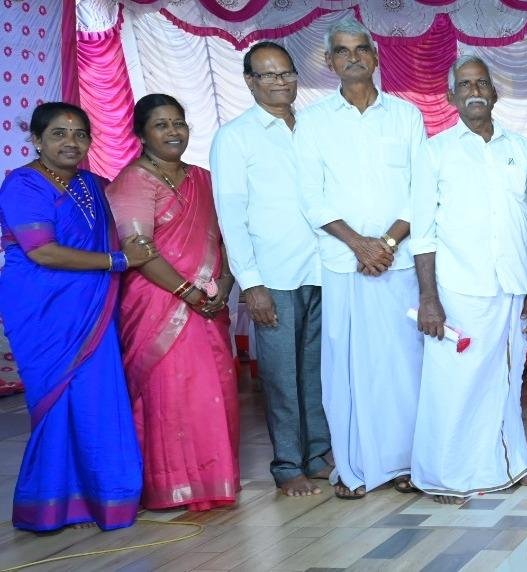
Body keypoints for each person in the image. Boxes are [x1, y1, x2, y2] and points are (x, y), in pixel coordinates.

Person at [0, 103, 153, 532]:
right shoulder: (23, 185)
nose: (71, 142)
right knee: (55, 401)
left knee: (95, 399)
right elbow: (43, 251)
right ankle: (51, 504)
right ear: (37, 139)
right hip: (43, 309)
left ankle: (103, 497)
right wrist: (117, 261)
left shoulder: (92, 183)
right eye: (58, 134)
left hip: (92, 307)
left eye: (80, 134)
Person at [294, 15, 427, 500]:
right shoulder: (313, 122)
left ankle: (408, 462)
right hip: (343, 263)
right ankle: (355, 467)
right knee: (348, 368)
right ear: (330, 62)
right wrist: (359, 244)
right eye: (342, 51)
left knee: (403, 365)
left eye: (360, 49)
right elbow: (311, 197)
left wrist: (387, 244)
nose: (352, 58)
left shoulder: (406, 116)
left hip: (399, 262)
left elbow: (421, 189)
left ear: (374, 56)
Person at [410, 55, 527, 504]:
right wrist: (429, 299)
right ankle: (444, 475)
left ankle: (509, 463)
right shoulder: (435, 152)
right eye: (465, 84)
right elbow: (422, 233)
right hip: (457, 288)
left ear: (494, 93)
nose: (474, 91)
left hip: (510, 284)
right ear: (450, 96)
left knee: (506, 377)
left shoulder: (519, 148)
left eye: (481, 83)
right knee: (454, 383)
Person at [106, 94, 240, 512]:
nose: (173, 132)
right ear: (141, 134)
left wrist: (224, 283)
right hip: (158, 301)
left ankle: (214, 479)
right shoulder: (133, 181)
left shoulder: (203, 178)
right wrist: (188, 292)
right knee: (170, 392)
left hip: (209, 302)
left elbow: (225, 236)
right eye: (161, 125)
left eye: (178, 123)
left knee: (212, 390)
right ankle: (172, 485)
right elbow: (138, 248)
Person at [211, 41, 332, 498]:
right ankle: (287, 465)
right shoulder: (236, 137)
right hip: (273, 276)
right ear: (249, 81)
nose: (281, 82)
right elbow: (231, 215)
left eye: (287, 73)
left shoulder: (314, 127)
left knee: (317, 371)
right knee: (281, 376)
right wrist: (251, 284)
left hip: (322, 268)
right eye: (269, 74)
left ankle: (318, 455)